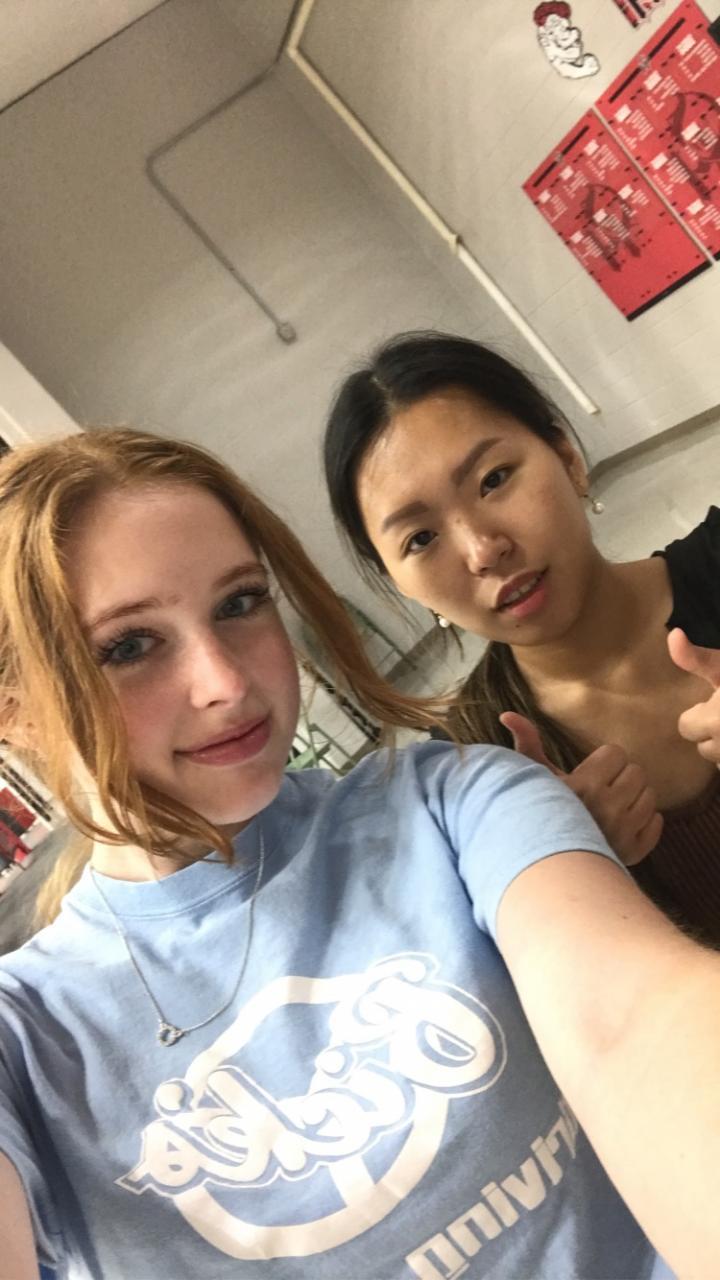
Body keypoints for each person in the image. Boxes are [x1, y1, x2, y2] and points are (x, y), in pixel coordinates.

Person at [0, 430, 716, 1280]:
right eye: (128, 647)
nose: (226, 682)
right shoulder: (28, 1037)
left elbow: (630, 1018)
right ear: (18, 713)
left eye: (240, 602)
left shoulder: (454, 800)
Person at [323, 330, 720, 944]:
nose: (483, 550)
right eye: (420, 539)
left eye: (493, 479)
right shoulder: (468, 772)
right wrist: (569, 867)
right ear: (401, 584)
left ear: (568, 458)